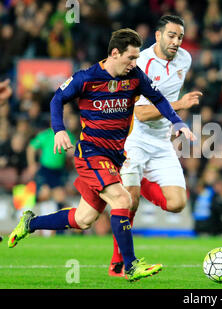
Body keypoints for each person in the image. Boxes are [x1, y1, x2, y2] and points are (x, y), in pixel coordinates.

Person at [8, 28, 199, 282]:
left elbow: (159, 99)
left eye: (136, 59)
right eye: (131, 58)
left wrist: (177, 122)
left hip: (115, 158)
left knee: (83, 219)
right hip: (91, 153)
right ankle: (129, 266)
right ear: (114, 53)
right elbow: (57, 99)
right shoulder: (87, 78)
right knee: (122, 200)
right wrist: (59, 130)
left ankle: (30, 223)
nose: (135, 63)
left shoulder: (134, 77)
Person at [108, 15, 202, 277]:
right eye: (171, 35)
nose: (176, 41)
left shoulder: (185, 59)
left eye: (180, 37)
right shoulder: (143, 63)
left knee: (177, 203)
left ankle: (137, 185)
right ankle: (118, 263)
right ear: (158, 35)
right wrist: (180, 106)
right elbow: (141, 114)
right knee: (130, 202)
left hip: (161, 142)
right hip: (135, 138)